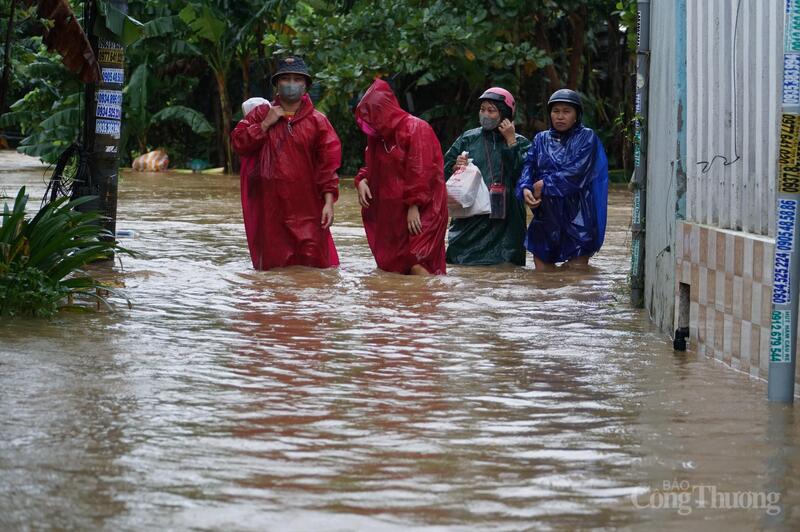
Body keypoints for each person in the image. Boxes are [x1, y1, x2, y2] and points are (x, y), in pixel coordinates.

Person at [231, 56, 342, 270]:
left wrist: (329, 203)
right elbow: (238, 143)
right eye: (286, 78)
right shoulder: (260, 114)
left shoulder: (318, 122)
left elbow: (328, 166)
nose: (291, 84)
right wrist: (265, 124)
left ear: (305, 86)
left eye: (297, 79)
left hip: (308, 209)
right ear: (276, 84)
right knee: (274, 270)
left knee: (313, 269)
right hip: (270, 209)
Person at [354, 78, 448, 275]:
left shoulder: (415, 128)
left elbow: (421, 170)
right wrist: (361, 181)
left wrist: (414, 205)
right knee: (395, 265)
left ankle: (431, 295)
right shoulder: (378, 138)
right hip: (394, 214)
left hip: (425, 208)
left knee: (419, 260)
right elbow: (372, 168)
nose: (372, 120)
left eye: (375, 113)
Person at [515, 89, 609, 270]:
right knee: (542, 278)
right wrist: (525, 187)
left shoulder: (587, 137)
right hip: (546, 215)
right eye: (555, 111)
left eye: (566, 111)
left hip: (579, 216)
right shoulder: (540, 139)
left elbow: (577, 172)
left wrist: (544, 185)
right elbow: (528, 166)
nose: (560, 116)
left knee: (575, 275)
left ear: (576, 115)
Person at [444, 87, 531, 266]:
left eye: (491, 111)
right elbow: (443, 171)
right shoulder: (468, 139)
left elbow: (524, 175)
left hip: (507, 222)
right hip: (471, 219)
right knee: (461, 267)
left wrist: (511, 142)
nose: (485, 115)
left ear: (505, 114)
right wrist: (456, 166)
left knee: (506, 271)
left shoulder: (521, 142)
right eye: (482, 109)